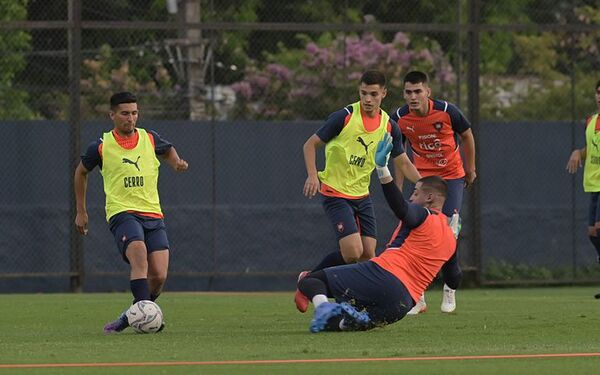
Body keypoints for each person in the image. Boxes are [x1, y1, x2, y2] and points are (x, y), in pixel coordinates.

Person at [298, 135, 457, 332]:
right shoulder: (451, 238)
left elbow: (401, 208)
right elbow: (454, 277)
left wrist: (383, 170)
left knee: (310, 281)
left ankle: (323, 308)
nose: (411, 196)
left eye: (416, 193)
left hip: (385, 277)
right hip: (403, 305)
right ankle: (349, 317)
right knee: (336, 326)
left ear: (430, 198)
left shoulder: (424, 214)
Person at [297, 70, 421, 313]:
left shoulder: (389, 126)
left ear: (383, 94)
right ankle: (308, 282)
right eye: (364, 93)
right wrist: (313, 175)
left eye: (374, 94)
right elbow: (310, 144)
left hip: (362, 196)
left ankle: (350, 301)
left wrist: (427, 184)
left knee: (367, 255)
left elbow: (404, 162)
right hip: (336, 192)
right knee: (352, 252)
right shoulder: (344, 117)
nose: (368, 99)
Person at [74, 92, 189, 333]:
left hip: (153, 214)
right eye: (125, 113)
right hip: (122, 213)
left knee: (158, 276)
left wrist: (176, 162)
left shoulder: (149, 138)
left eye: (134, 113)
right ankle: (144, 315)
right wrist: (81, 211)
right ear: (112, 115)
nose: (131, 118)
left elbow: (168, 150)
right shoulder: (101, 146)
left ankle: (131, 317)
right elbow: (81, 172)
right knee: (139, 254)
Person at [389, 70, 476, 314]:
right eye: (408, 92)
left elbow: (467, 136)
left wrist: (471, 168)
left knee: (447, 233)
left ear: (428, 92)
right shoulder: (399, 117)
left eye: (418, 91)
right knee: (416, 233)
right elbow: (399, 153)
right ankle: (418, 297)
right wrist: (398, 186)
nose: (413, 96)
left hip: (452, 178)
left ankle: (449, 288)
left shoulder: (448, 112)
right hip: (422, 179)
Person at [566, 79, 600, 298]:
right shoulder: (591, 120)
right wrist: (579, 152)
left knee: (599, 229)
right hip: (593, 184)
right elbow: (591, 148)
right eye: (598, 92)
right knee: (592, 234)